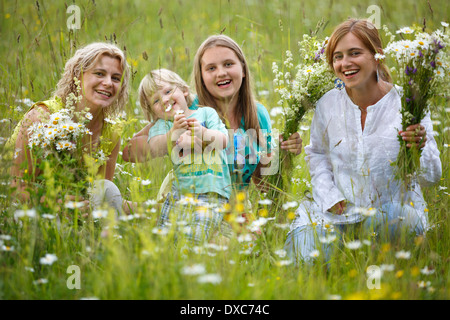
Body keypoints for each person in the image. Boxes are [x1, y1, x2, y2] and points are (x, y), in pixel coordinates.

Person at [284, 19, 442, 264]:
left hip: (392, 211)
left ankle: (364, 250)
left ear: (377, 55)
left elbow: (432, 178)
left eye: (354, 53)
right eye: (338, 57)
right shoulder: (328, 103)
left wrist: (418, 148)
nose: (345, 63)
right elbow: (317, 154)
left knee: (395, 226)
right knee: (309, 261)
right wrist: (330, 195)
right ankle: (344, 248)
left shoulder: (407, 103)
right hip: (335, 213)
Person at [123, 34, 303, 195]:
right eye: (211, 68)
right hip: (190, 199)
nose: (221, 73)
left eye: (228, 64)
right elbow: (128, 151)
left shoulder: (257, 114)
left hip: (235, 207)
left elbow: (264, 186)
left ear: (243, 69)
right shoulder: (188, 110)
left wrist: (283, 155)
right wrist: (171, 139)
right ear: (201, 76)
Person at [8, 42, 130, 216]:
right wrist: (55, 203)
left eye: (116, 78)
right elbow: (15, 188)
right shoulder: (42, 118)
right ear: (77, 75)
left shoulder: (111, 132)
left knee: (109, 190)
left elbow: (99, 194)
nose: (108, 83)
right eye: (99, 74)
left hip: (76, 218)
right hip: (27, 215)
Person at [137, 68, 231, 243]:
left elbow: (223, 141)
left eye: (167, 91)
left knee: (195, 238)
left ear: (184, 90)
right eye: (156, 100)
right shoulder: (163, 125)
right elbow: (154, 147)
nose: (164, 99)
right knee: (167, 237)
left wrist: (202, 132)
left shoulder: (205, 114)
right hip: (179, 192)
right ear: (154, 112)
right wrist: (174, 133)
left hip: (211, 190)